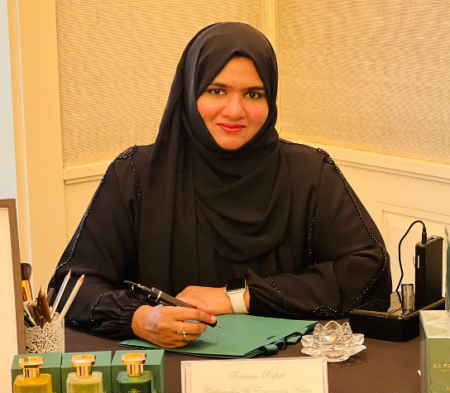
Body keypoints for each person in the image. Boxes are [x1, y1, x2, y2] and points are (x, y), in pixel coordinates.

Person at [49, 22, 392, 348]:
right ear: (189, 92)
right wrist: (140, 318)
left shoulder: (309, 173)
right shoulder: (137, 174)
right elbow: (68, 288)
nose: (235, 110)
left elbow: (368, 270)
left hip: (289, 369)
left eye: (253, 94)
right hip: (169, 367)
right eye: (217, 91)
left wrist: (240, 297)